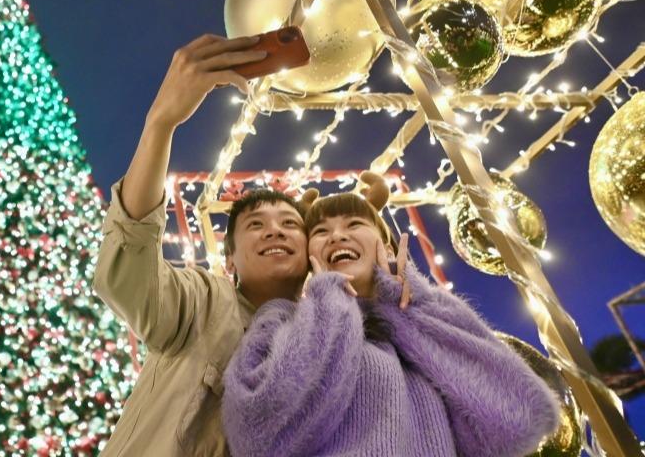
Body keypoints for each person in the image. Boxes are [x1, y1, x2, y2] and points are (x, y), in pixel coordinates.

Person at [222, 179, 562, 457]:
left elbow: (518, 422)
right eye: (321, 231)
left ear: (385, 244)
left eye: (354, 223)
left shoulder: (419, 321)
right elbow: (257, 437)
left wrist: (406, 306)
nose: (338, 235)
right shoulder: (282, 322)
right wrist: (330, 299)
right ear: (311, 256)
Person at [93, 33, 316, 456]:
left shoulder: (325, 338)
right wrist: (161, 122)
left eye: (290, 223)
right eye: (256, 225)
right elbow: (128, 268)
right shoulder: (203, 302)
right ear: (230, 257)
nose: (275, 230)